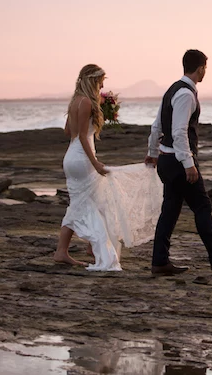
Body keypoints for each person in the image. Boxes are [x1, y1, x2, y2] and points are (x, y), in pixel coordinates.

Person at [145, 50, 212, 275]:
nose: (205, 72)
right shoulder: (185, 94)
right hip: (178, 162)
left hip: (166, 159)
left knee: (170, 211)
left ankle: (160, 262)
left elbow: (156, 126)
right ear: (201, 68)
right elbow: (179, 131)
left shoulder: (171, 90)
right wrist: (188, 163)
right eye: (205, 68)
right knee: (202, 207)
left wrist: (153, 151)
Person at [54, 64, 162, 271]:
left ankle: (64, 251)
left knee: (87, 201)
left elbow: (69, 131)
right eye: (101, 80)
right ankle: (91, 247)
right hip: (82, 158)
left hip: (70, 158)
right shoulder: (85, 102)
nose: (103, 84)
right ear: (92, 80)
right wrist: (95, 163)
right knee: (92, 202)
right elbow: (84, 139)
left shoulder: (74, 102)